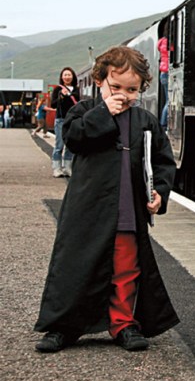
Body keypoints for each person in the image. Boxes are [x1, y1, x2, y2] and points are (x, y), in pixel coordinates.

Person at [34, 46, 178, 353]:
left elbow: (164, 162)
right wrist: (103, 113)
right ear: (99, 81)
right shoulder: (84, 111)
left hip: (129, 209)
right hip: (87, 208)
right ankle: (64, 326)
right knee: (75, 266)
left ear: (141, 89)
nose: (123, 95)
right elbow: (73, 137)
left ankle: (123, 323)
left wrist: (160, 193)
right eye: (115, 87)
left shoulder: (146, 121)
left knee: (127, 269)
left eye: (132, 89)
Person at [50, 67, 81, 177]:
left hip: (73, 119)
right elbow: (53, 104)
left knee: (70, 144)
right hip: (60, 119)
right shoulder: (57, 89)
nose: (67, 77)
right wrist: (61, 96)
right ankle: (57, 168)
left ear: (73, 76)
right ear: (62, 77)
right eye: (65, 75)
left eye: (69, 75)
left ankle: (68, 168)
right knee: (59, 145)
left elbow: (78, 102)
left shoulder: (76, 89)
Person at [158, 27, 169, 128]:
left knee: (167, 100)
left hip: (163, 73)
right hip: (167, 72)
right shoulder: (169, 43)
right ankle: (164, 124)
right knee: (169, 102)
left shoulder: (161, 42)